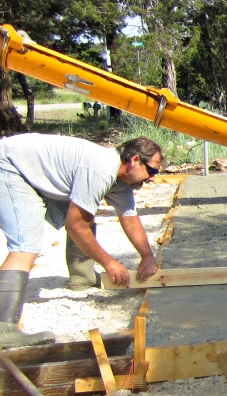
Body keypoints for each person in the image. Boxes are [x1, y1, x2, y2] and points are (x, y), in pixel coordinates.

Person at [0, 134, 164, 347]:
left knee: (84, 214)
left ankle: (82, 277)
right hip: (9, 166)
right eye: (152, 171)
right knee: (26, 245)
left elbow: (130, 220)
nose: (152, 178)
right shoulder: (101, 170)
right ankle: (3, 328)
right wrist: (109, 263)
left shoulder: (120, 181)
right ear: (134, 160)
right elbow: (75, 226)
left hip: (25, 166)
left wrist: (148, 256)